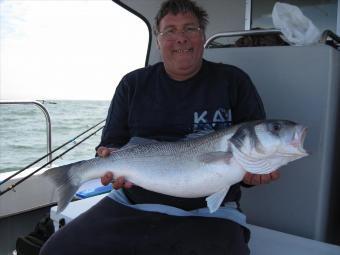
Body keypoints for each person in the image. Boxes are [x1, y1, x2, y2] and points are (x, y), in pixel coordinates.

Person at [40, 0, 279, 254]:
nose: (181, 39)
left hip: (212, 211)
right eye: (170, 31)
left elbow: (250, 156)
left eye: (190, 29)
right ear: (158, 40)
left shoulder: (234, 81)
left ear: (203, 35)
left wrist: (255, 174)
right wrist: (108, 160)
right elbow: (112, 145)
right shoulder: (132, 84)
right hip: (132, 202)